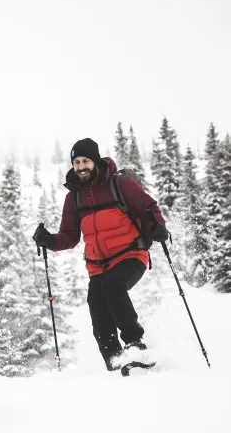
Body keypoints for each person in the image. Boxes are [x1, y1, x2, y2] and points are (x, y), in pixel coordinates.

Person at [33, 138, 169, 371]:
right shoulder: (73, 197)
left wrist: (158, 225)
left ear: (95, 161)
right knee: (96, 301)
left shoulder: (120, 184)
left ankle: (135, 344)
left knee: (113, 285)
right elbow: (69, 236)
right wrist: (50, 241)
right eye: (76, 162)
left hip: (131, 254)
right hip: (98, 265)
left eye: (85, 160)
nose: (81, 166)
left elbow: (149, 207)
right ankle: (114, 360)